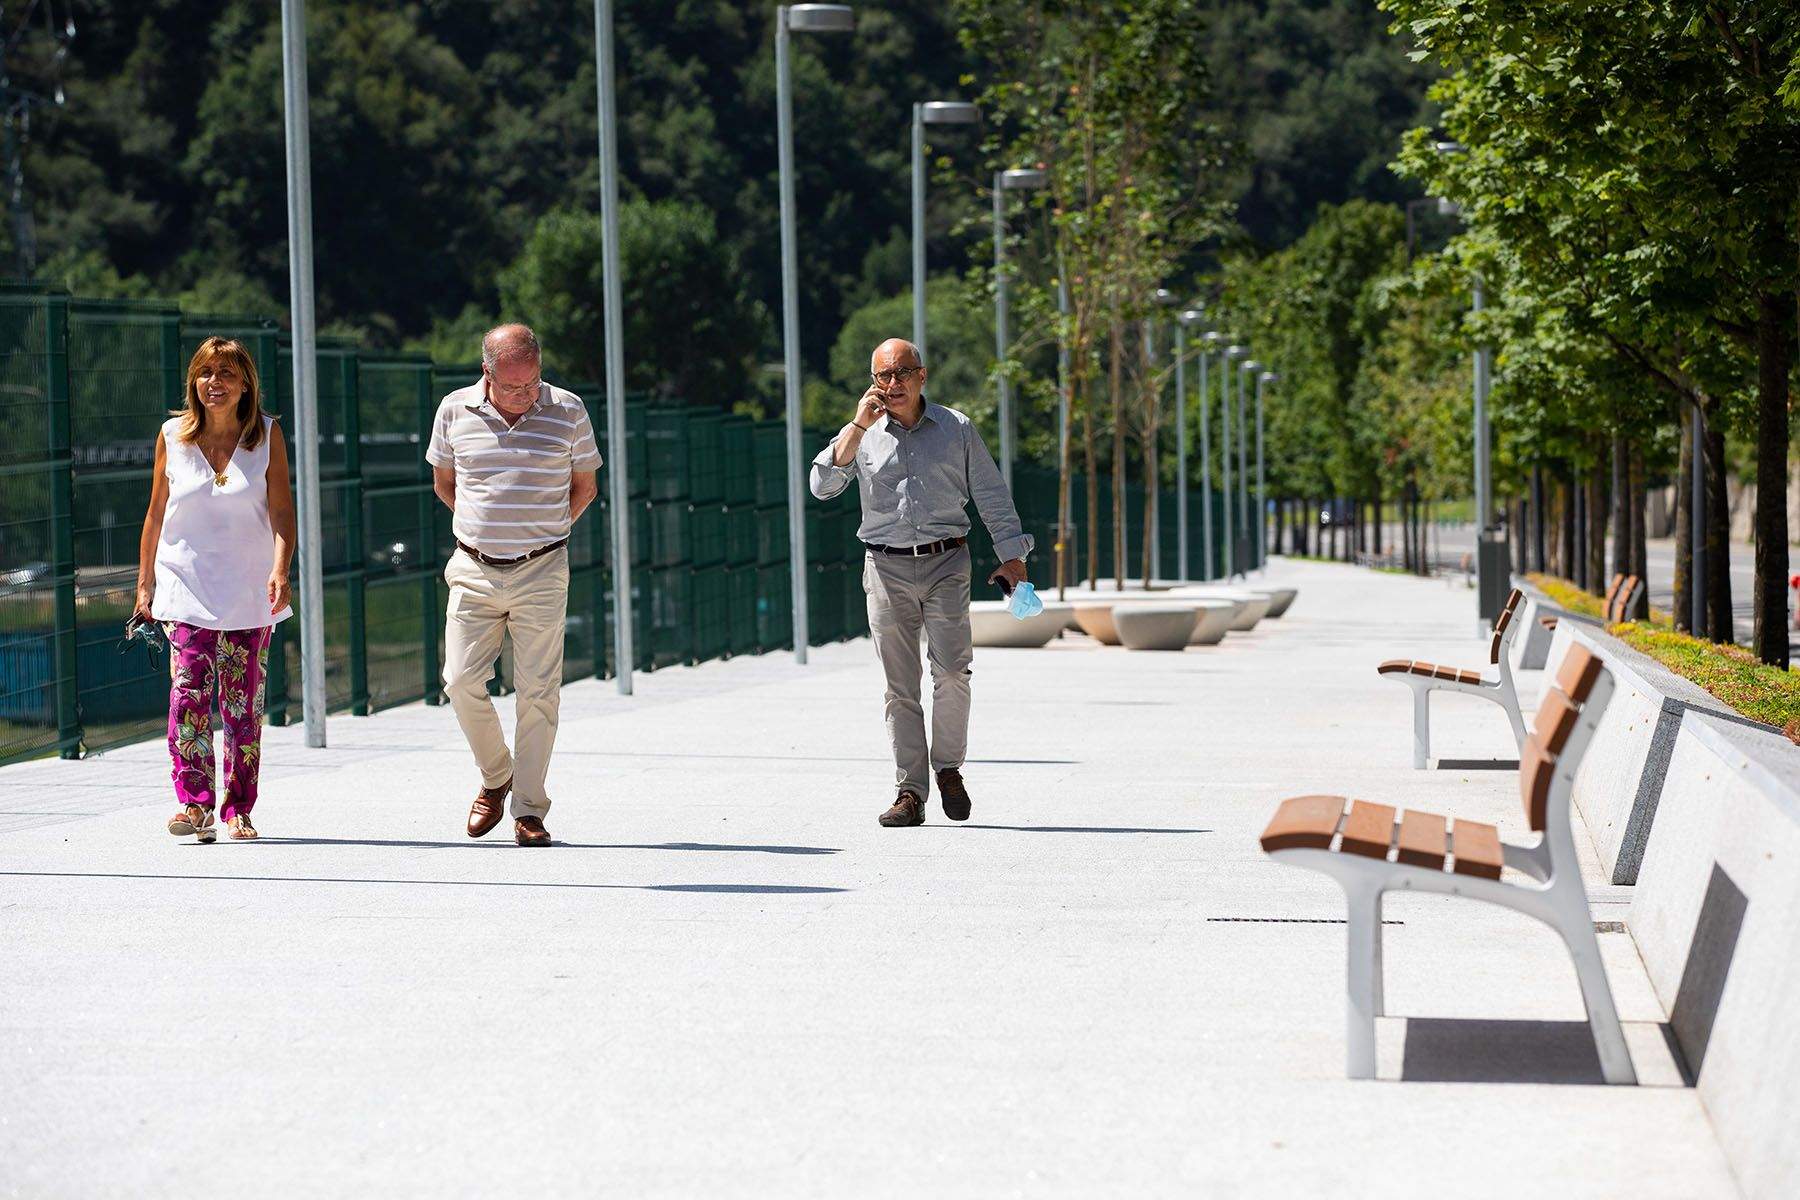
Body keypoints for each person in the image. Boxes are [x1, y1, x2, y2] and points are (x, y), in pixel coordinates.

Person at [810, 338, 1032, 827]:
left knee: (953, 670)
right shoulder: (862, 432)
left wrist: (1013, 558)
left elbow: (990, 495)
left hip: (946, 562)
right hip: (885, 567)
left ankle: (948, 768)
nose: (892, 385)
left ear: (922, 376)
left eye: (902, 373)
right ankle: (910, 791)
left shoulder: (956, 429)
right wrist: (855, 426)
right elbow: (822, 486)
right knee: (899, 686)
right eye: (882, 376)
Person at [428, 324, 599, 846]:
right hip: (474, 567)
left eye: (532, 385)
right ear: (487, 373)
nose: (524, 397)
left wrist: (540, 533)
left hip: (543, 568)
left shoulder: (568, 410)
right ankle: (496, 774)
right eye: (512, 388)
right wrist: (487, 530)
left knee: (538, 691)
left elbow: (585, 487)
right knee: (458, 680)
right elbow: (445, 484)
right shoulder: (454, 410)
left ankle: (528, 808)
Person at [136, 336, 295, 843]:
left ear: (245, 382)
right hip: (185, 586)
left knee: (242, 705)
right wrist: (146, 585)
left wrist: (281, 569)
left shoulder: (267, 436)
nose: (215, 384)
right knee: (188, 696)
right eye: (206, 374)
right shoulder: (172, 436)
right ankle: (195, 804)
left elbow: (282, 512)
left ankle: (237, 809)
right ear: (194, 382)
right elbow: (157, 512)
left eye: (226, 374)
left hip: (249, 590)